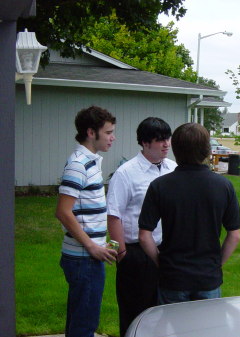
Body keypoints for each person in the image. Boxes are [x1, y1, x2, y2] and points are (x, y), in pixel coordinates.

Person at [138, 123, 240, 304]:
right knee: (206, 330)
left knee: (171, 332)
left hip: (172, 278)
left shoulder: (159, 186)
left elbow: (145, 236)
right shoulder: (223, 186)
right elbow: (234, 235)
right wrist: (216, 265)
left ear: (175, 150)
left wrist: (161, 263)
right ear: (206, 150)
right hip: (208, 278)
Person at [107, 117, 177, 337]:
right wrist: (123, 254)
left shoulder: (173, 169)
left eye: (168, 138)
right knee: (134, 314)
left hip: (166, 250)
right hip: (136, 254)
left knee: (165, 313)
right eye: (160, 140)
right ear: (145, 143)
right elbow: (113, 215)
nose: (166, 144)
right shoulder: (126, 173)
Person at [55, 106, 118, 337]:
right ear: (91, 132)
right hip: (84, 259)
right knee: (84, 325)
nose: (113, 137)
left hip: (88, 257)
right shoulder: (78, 164)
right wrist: (92, 246)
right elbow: (63, 212)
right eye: (109, 132)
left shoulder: (90, 161)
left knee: (80, 320)